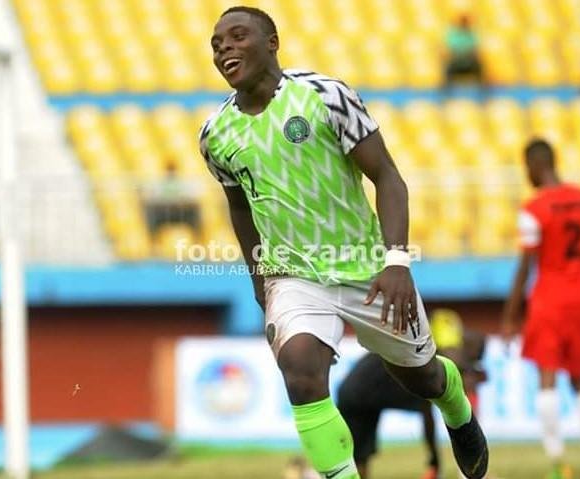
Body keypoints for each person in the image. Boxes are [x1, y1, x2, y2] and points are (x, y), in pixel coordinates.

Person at [199, 6, 489, 479]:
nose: (224, 48)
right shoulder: (215, 135)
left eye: (237, 36)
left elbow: (388, 177)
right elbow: (239, 207)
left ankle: (456, 405)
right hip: (293, 275)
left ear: (272, 42)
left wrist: (397, 262)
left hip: (371, 270)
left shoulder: (326, 96)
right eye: (216, 44)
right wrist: (260, 281)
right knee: (299, 370)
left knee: (422, 377)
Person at [501, 139, 580, 479]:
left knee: (547, 380)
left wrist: (509, 316)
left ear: (534, 165)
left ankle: (558, 464)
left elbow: (524, 266)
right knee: (579, 379)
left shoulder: (534, 209)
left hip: (550, 299)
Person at [337, 309, 487, 479]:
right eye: (475, 359)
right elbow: (428, 411)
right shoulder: (442, 343)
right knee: (354, 462)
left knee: (358, 459)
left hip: (365, 388)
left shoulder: (438, 339)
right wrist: (434, 461)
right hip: (357, 393)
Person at [444, 15, 482, 86]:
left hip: (469, 60)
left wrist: (469, 54)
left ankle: (481, 90)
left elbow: (474, 49)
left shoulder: (471, 34)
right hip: (456, 60)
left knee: (478, 65)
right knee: (448, 67)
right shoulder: (454, 34)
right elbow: (451, 49)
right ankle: (446, 90)